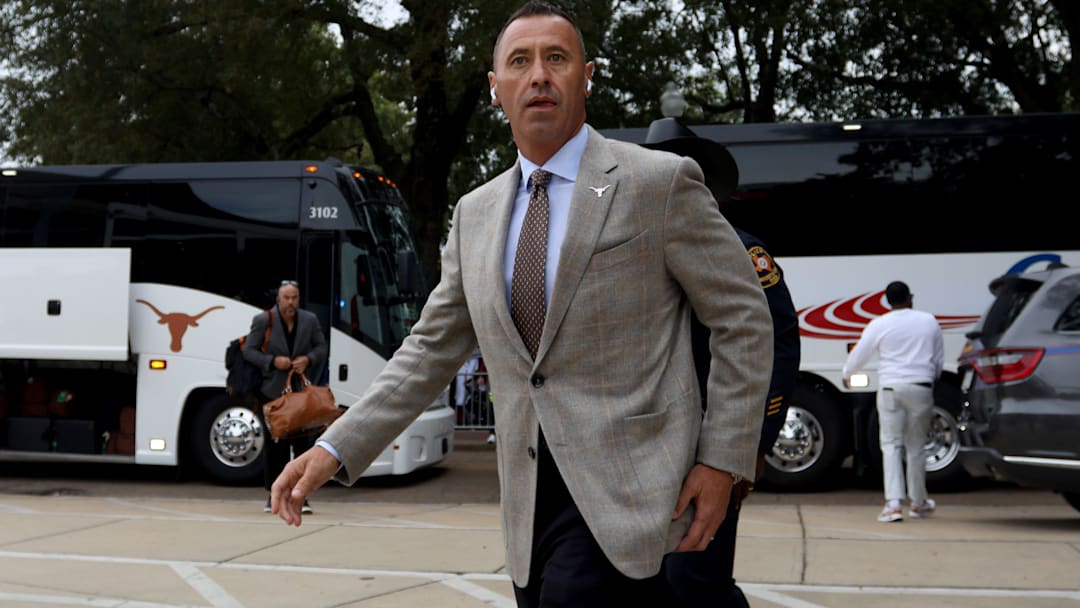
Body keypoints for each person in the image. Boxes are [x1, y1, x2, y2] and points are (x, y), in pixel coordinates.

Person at [269, 2, 772, 605]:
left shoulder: (657, 184)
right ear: (495, 87)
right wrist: (333, 447)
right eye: (520, 61)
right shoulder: (474, 214)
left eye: (556, 58)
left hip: (633, 495)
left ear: (586, 75)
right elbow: (428, 352)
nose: (539, 74)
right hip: (528, 509)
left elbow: (742, 318)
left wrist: (723, 461)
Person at [643, 122, 801, 606]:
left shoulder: (739, 249)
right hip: (646, 448)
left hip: (709, 446)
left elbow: (777, 346)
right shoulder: (635, 251)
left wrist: (750, 445)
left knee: (696, 580)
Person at [842, 280, 943, 522]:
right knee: (917, 446)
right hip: (921, 387)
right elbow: (938, 359)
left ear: (888, 302)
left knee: (890, 444)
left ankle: (894, 504)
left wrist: (847, 374)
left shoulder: (879, 324)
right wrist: (931, 378)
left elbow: (861, 353)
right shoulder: (928, 321)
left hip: (890, 388)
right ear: (910, 298)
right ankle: (918, 503)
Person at [242, 280, 328, 514]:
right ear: (278, 299)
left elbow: (322, 348)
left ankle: (301, 496)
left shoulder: (309, 320)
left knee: (302, 446)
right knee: (274, 447)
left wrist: (308, 359)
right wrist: (272, 362)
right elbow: (249, 351)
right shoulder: (264, 320)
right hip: (272, 394)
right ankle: (274, 495)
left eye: (295, 297)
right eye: (287, 298)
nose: (291, 302)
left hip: (300, 396)